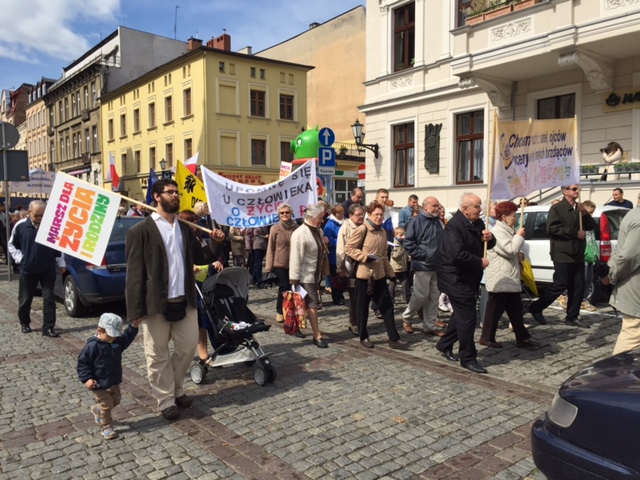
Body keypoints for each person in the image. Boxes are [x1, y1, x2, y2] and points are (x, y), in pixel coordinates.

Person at [125, 179, 226, 421]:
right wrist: (135, 310)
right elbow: (134, 274)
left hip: (185, 300)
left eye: (177, 192)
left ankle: (176, 387)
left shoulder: (184, 228)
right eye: (170, 192)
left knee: (187, 348)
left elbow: (201, 256)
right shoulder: (139, 231)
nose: (175, 195)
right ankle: (166, 400)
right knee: (157, 354)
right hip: (155, 304)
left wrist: (216, 242)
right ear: (156, 196)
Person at [435, 193, 495, 374]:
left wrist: (489, 238)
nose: (480, 210)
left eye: (480, 206)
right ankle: (468, 358)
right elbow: (457, 254)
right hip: (455, 278)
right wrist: (479, 262)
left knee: (461, 316)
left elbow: (485, 244)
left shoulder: (477, 223)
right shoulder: (454, 227)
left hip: (469, 277)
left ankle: (444, 344)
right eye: (476, 206)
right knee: (468, 319)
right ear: (464, 209)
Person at [528, 184, 596, 329]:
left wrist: (584, 213)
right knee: (561, 284)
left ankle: (572, 316)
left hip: (578, 253)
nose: (577, 191)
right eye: (574, 189)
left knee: (578, 286)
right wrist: (574, 233)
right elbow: (552, 229)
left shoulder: (579, 208)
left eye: (578, 189)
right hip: (562, 253)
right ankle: (536, 307)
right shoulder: (557, 208)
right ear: (565, 191)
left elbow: (591, 226)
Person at [346, 201, 409, 350]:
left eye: (381, 214)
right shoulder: (363, 229)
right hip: (364, 276)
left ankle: (394, 338)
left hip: (379, 276)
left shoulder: (383, 232)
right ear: (369, 215)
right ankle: (363, 336)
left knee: (387, 306)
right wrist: (364, 257)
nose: (379, 217)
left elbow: (384, 256)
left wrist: (390, 274)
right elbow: (349, 248)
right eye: (376, 214)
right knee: (362, 308)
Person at [480, 201, 538, 349]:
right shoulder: (497, 231)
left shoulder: (508, 230)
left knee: (515, 310)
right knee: (495, 310)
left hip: (509, 276)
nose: (516, 219)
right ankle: (487, 337)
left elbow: (514, 250)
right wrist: (519, 236)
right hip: (501, 276)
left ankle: (522, 338)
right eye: (513, 216)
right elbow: (509, 250)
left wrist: (520, 254)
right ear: (504, 217)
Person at [77, 313, 141, 440]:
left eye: (115, 335)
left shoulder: (115, 342)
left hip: (114, 380)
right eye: (110, 335)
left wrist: (133, 326)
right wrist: (87, 379)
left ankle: (98, 409)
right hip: (99, 383)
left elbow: (126, 338)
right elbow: (83, 364)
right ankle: (106, 427)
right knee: (106, 405)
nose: (112, 338)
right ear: (99, 331)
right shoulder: (92, 347)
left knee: (115, 401)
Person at [8, 200, 66, 337]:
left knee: (49, 299)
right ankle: (25, 323)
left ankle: (48, 328)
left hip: (47, 269)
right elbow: (12, 245)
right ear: (29, 212)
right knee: (25, 299)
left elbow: (58, 246)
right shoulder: (20, 226)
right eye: (37, 215)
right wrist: (21, 259)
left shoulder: (52, 226)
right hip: (28, 270)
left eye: (42, 215)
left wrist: (61, 263)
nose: (40, 218)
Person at [177, 209, 224, 367]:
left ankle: (217, 349)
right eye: (190, 221)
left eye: (195, 221)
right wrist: (190, 267)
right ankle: (202, 354)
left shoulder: (199, 238)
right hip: (191, 285)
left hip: (205, 283)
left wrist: (215, 262)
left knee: (207, 318)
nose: (194, 224)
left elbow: (205, 256)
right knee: (199, 321)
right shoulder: (180, 238)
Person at [401, 197, 445, 337]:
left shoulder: (438, 221)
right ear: (425, 207)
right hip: (422, 264)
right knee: (421, 295)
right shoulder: (416, 221)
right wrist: (425, 255)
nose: (437, 208)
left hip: (437, 265)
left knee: (434, 296)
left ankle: (430, 326)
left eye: (438, 205)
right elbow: (408, 243)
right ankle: (407, 317)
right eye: (434, 206)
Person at [289, 203, 329, 348]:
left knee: (304, 305)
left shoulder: (318, 230)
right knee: (312, 305)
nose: (322, 221)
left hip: (315, 274)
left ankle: (298, 327)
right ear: (311, 217)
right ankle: (317, 335)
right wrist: (294, 280)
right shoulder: (300, 234)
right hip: (304, 276)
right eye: (320, 218)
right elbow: (295, 258)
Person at [606, 192, 640, 354]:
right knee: (632, 334)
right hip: (635, 286)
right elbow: (628, 257)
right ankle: (618, 369)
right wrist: (614, 274)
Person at [265, 203, 300, 332]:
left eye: (287, 212)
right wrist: (269, 266)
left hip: (294, 262)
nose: (284, 214)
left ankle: (292, 310)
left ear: (291, 213)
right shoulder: (275, 228)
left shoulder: (297, 228)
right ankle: (280, 310)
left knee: (294, 288)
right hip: (280, 262)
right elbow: (271, 247)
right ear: (279, 215)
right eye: (282, 213)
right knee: (284, 287)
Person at [336, 203, 365, 336]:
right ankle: (354, 323)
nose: (361, 217)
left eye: (362, 214)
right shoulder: (345, 228)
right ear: (351, 216)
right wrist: (341, 268)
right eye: (358, 215)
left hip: (363, 265)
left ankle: (360, 321)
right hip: (350, 266)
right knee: (354, 298)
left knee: (361, 297)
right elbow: (340, 249)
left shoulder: (364, 226)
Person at [323, 204, 345, 305]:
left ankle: (340, 295)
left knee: (343, 277)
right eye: (338, 214)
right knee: (335, 278)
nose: (341, 215)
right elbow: (329, 241)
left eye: (342, 213)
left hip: (344, 254)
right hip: (334, 255)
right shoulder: (330, 225)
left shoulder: (345, 222)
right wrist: (341, 241)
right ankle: (336, 298)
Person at [581, 200, 598, 312]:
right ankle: (580, 299)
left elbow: (592, 239)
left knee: (589, 279)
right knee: (583, 278)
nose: (591, 215)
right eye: (590, 212)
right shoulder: (580, 222)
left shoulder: (590, 223)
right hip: (584, 255)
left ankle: (584, 299)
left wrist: (595, 252)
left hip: (591, 254)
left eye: (592, 213)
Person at [389, 226, 411, 304]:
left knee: (405, 284)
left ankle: (408, 299)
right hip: (395, 268)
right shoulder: (394, 244)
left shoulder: (403, 243)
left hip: (402, 268)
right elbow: (394, 256)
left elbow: (406, 254)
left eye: (403, 235)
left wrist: (409, 258)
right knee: (392, 284)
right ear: (395, 235)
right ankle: (390, 299)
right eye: (401, 235)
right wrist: (402, 251)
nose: (403, 237)